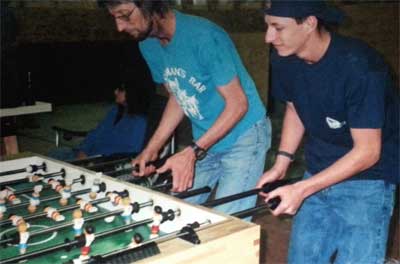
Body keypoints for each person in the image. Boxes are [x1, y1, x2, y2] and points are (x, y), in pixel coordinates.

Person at [256, 1, 399, 263]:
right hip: (318, 168)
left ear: (309, 23)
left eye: (278, 27)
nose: (269, 37)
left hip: (368, 181)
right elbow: (295, 108)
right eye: (267, 26)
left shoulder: (361, 68)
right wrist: (281, 163)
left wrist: (301, 189)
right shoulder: (285, 58)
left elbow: (368, 152)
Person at [99, 0, 271, 216]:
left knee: (227, 221)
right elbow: (178, 95)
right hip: (205, 139)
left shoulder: (204, 36)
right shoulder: (148, 43)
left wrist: (192, 152)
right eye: (115, 18)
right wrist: (152, 148)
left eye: (124, 15)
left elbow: (238, 104)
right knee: (174, 212)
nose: (120, 27)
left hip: (243, 137)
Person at [48, 87, 147, 161]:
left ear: (131, 93)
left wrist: (94, 158)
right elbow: (96, 133)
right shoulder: (116, 111)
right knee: (54, 154)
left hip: (101, 162)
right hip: (86, 155)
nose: (115, 91)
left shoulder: (140, 121)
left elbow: (131, 151)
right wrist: (84, 151)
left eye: (120, 89)